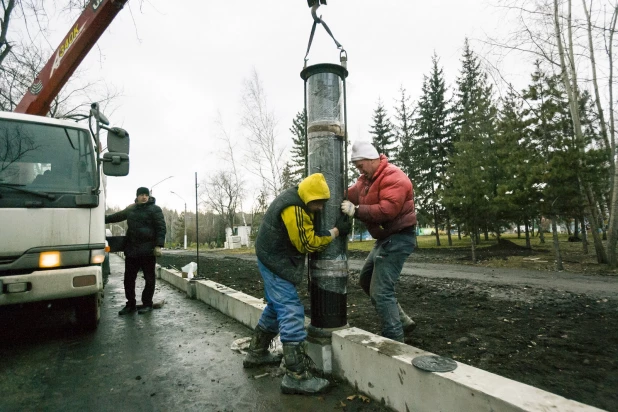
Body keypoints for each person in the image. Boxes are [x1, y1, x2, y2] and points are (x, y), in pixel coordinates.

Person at [244, 173, 351, 395]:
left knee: (276, 306)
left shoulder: (299, 198)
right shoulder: (294, 208)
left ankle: (256, 352)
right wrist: (336, 231)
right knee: (291, 309)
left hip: (272, 257)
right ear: (309, 196)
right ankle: (296, 376)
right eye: (319, 203)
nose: (321, 208)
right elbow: (307, 243)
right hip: (275, 261)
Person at [341, 141, 417, 343]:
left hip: (399, 238)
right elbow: (349, 193)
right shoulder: (367, 180)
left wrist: (355, 211)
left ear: (371, 159)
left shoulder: (394, 177)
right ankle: (402, 321)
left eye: (360, 165)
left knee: (381, 291)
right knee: (366, 281)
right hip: (385, 238)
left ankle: (395, 340)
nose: (359, 170)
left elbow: (387, 210)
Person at [105, 187, 166, 315]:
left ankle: (147, 303)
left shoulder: (155, 209)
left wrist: (159, 245)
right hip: (132, 250)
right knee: (128, 279)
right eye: (141, 195)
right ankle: (130, 304)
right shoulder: (131, 209)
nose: (144, 197)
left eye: (146, 195)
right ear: (137, 196)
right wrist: (102, 218)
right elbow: (117, 216)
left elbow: (161, 228)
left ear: (148, 197)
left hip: (148, 251)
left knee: (149, 279)